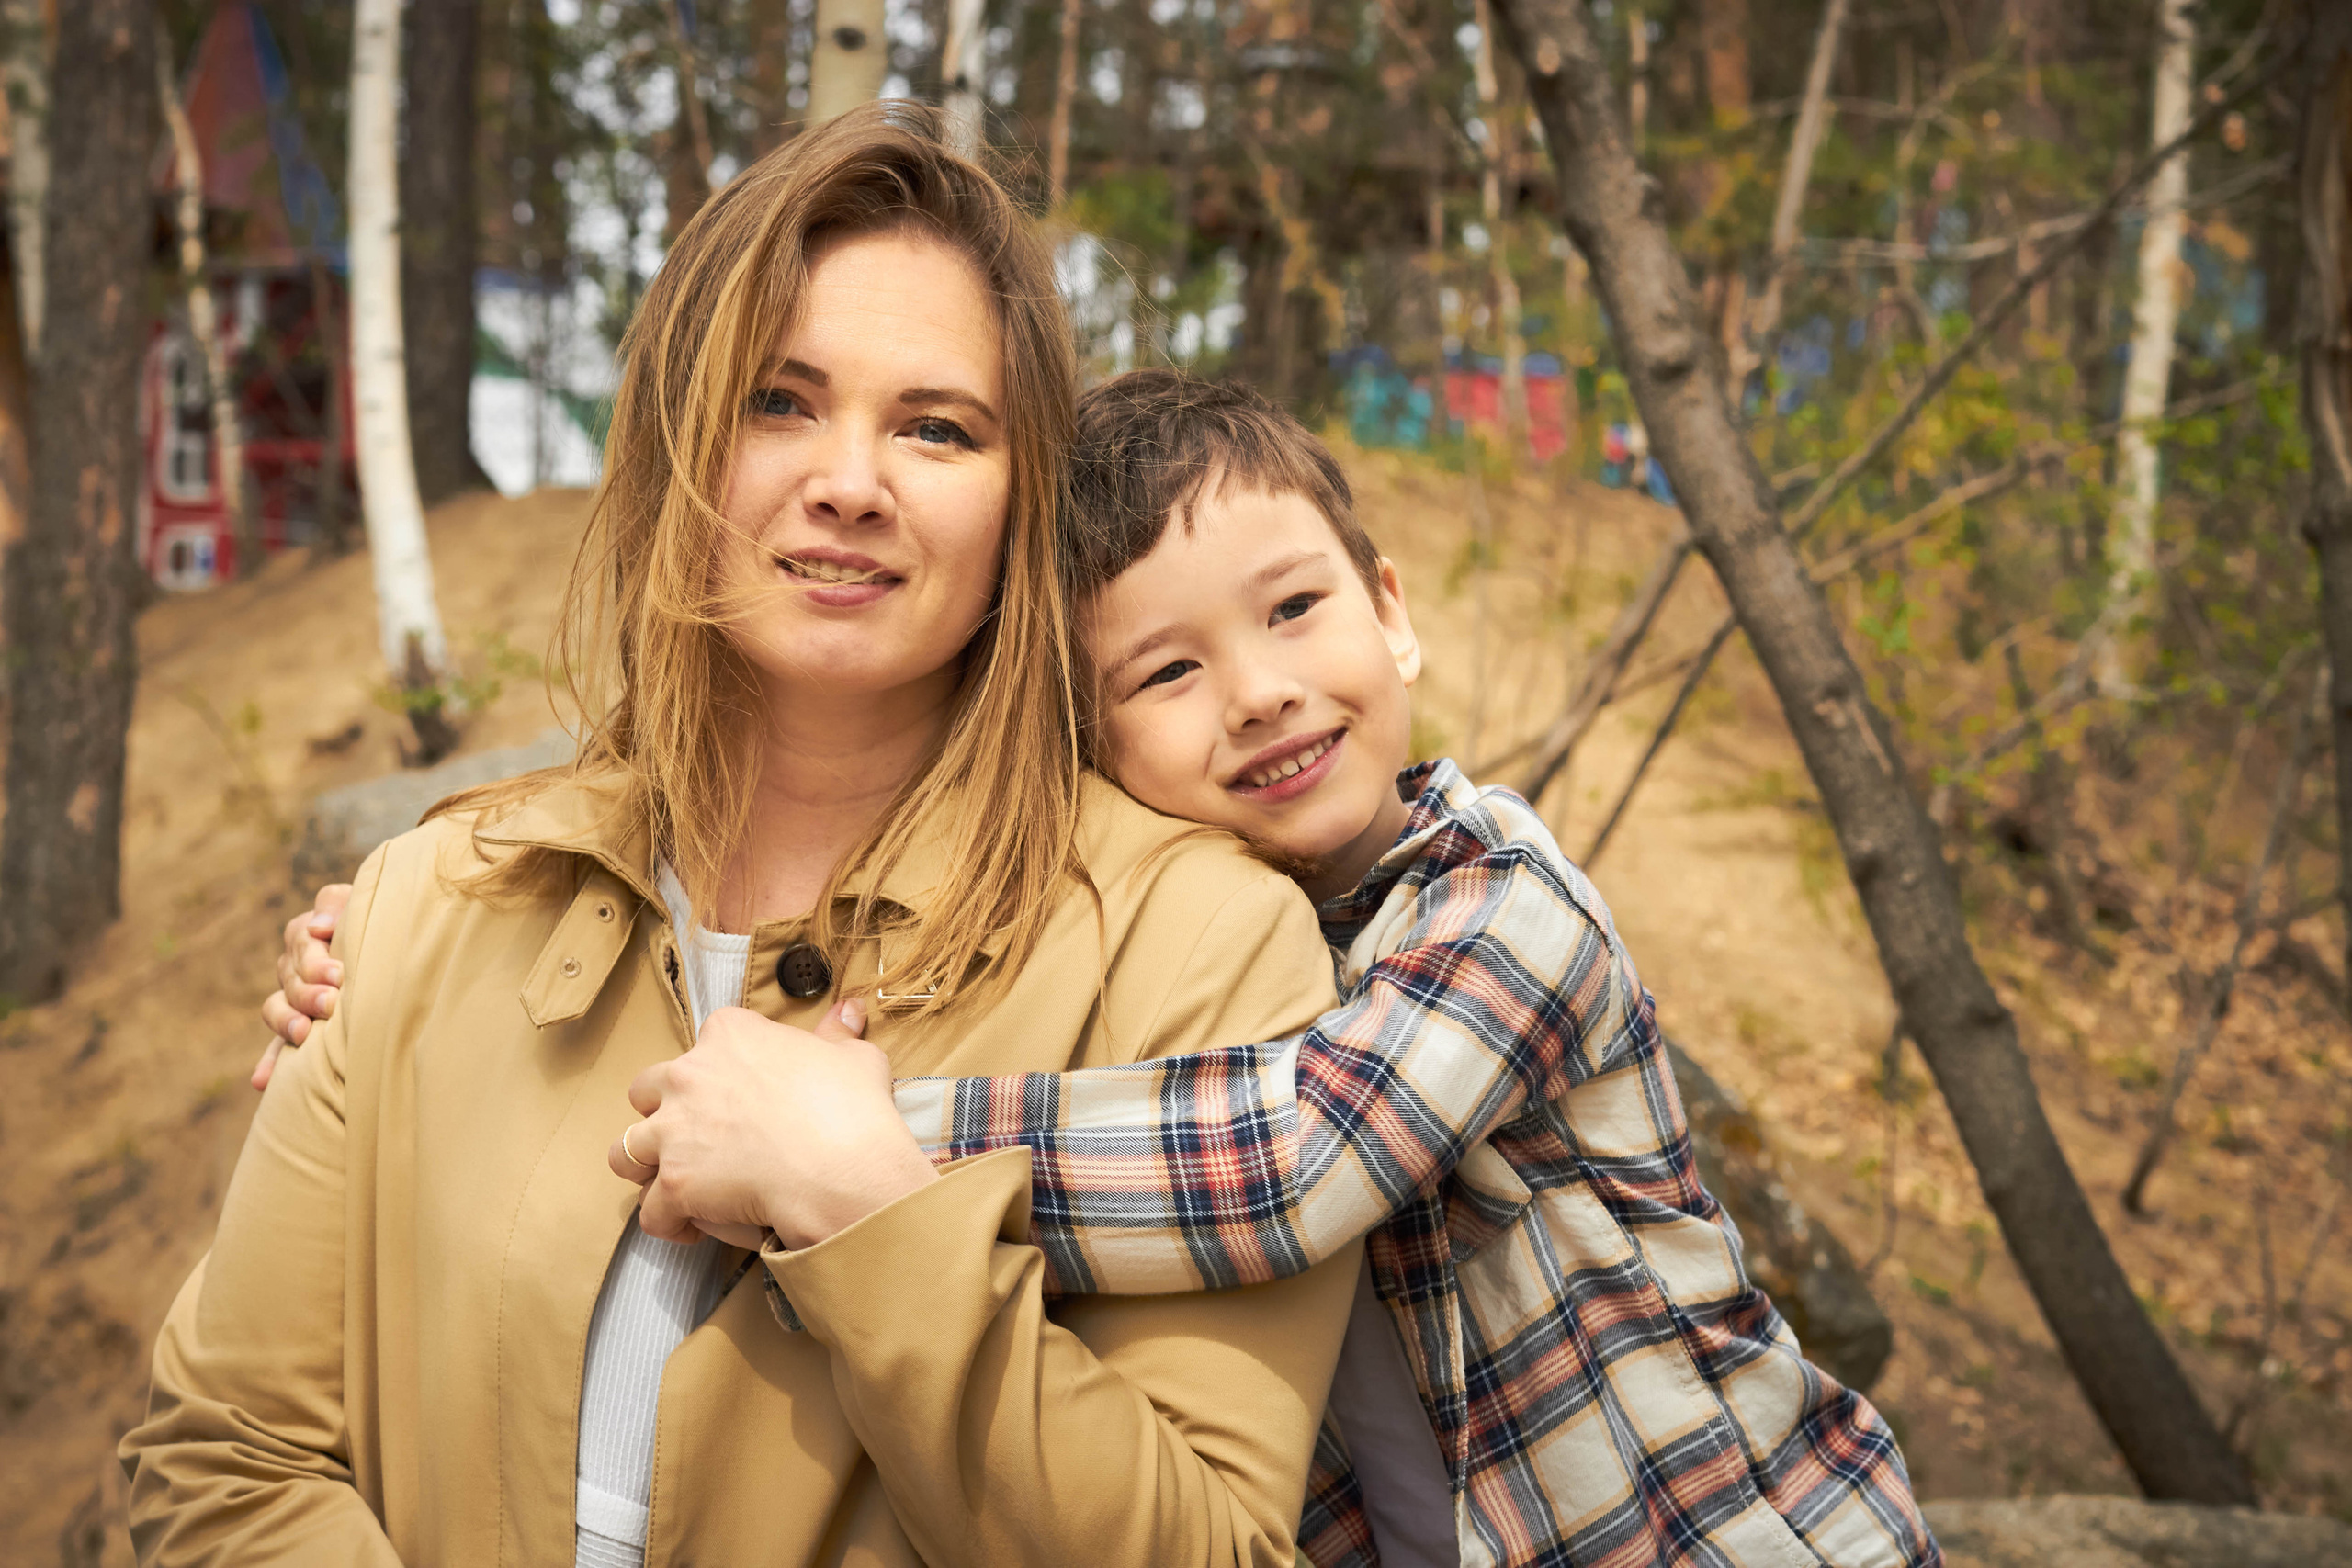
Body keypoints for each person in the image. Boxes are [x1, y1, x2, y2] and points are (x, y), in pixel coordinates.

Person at [266, 370, 1939, 1568]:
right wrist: (424, 1015)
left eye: (1295, 611)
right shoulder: (1168, 955)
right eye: (1169, 670)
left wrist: (861, 1153)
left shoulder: (1505, 910)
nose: (1263, 693)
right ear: (1089, 744)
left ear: (1393, 608)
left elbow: (1293, 1163)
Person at [122, 107, 1364, 1568]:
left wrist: (870, 1214)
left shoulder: (1198, 952)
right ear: (676, 444)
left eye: (936, 426)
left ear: (1020, 498)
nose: (850, 480)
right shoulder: (425, 903)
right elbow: (222, 1456)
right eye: (780, 400)